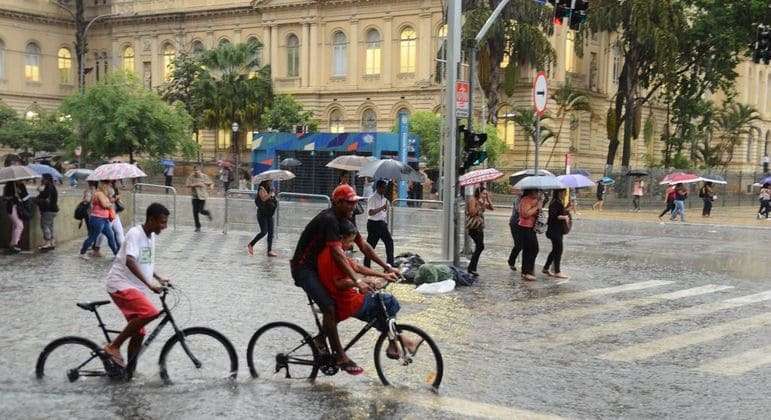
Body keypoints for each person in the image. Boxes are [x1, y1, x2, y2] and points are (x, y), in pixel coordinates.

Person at [290, 184, 398, 375]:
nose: (352, 207)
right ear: (337, 202)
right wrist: (357, 281)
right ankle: (340, 356)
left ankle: (321, 339)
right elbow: (338, 254)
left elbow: (364, 245)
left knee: (335, 306)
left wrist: (386, 266)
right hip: (303, 269)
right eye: (348, 203)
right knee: (329, 307)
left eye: (353, 203)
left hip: (317, 267)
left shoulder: (347, 219)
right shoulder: (329, 219)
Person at [316, 220, 418, 375]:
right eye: (349, 242)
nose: (350, 245)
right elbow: (339, 283)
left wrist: (383, 273)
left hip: (346, 296)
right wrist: (361, 282)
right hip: (345, 301)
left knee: (379, 313)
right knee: (387, 301)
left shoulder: (336, 250)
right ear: (341, 238)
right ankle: (396, 343)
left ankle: (401, 342)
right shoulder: (333, 254)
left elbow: (356, 267)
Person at [101, 203, 171, 368]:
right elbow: (130, 261)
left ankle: (129, 372)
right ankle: (113, 346)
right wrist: (149, 284)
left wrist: (159, 278)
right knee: (150, 312)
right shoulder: (135, 233)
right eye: (162, 222)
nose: (165, 226)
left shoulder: (150, 236)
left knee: (139, 332)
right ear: (151, 219)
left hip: (135, 287)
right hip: (120, 284)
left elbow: (144, 262)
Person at [79, 181, 119, 259]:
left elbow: (108, 203)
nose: (109, 186)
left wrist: (110, 201)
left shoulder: (104, 194)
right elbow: (105, 205)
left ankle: (117, 255)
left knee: (111, 236)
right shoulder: (99, 193)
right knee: (92, 238)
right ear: (103, 186)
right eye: (107, 185)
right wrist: (110, 205)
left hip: (104, 219)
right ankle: (82, 253)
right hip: (97, 219)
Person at [364, 179, 395, 268]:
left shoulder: (384, 198)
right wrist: (382, 207)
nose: (384, 190)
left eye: (385, 188)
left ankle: (390, 264)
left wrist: (385, 208)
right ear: (378, 188)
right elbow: (371, 212)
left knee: (389, 242)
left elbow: (384, 211)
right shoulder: (372, 198)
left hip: (382, 224)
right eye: (382, 188)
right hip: (374, 224)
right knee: (370, 246)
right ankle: (366, 266)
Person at [465, 185, 494, 276]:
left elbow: (492, 208)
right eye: (484, 193)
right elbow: (472, 212)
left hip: (480, 227)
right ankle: (471, 268)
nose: (485, 195)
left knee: (480, 246)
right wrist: (480, 205)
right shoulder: (473, 200)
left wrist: (488, 199)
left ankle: (472, 267)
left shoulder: (482, 201)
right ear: (479, 193)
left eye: (486, 194)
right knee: (480, 246)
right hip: (473, 227)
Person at [543, 189, 570, 279]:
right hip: (554, 230)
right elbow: (553, 216)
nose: (564, 194)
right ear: (559, 192)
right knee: (558, 250)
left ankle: (546, 268)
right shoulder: (555, 202)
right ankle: (557, 271)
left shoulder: (558, 202)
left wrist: (566, 209)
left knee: (555, 250)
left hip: (557, 230)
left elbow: (558, 212)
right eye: (563, 192)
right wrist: (564, 217)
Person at [94, 181, 125, 256]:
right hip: (107, 214)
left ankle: (123, 252)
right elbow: (106, 201)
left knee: (119, 232)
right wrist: (115, 198)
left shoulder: (114, 185)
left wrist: (118, 196)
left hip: (114, 213)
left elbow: (115, 197)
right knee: (104, 233)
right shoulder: (103, 187)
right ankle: (96, 249)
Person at [248, 180, 278, 257]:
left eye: (271, 181)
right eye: (270, 181)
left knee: (271, 233)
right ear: (265, 181)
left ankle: (269, 251)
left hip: (269, 213)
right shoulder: (261, 189)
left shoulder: (269, 189)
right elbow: (263, 199)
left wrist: (273, 195)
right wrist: (271, 193)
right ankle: (251, 244)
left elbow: (271, 199)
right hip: (262, 214)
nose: (271, 182)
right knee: (264, 232)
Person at [518, 189, 542, 281]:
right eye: (536, 191)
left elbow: (533, 213)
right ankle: (527, 271)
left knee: (529, 249)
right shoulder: (525, 200)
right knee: (532, 249)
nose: (537, 193)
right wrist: (536, 207)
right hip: (525, 227)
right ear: (531, 191)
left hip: (531, 227)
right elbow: (525, 214)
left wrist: (538, 207)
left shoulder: (533, 200)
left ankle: (526, 271)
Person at [3, 180, 30, 254]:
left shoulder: (21, 186)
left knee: (16, 226)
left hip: (19, 208)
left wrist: (20, 193)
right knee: (19, 225)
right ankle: (14, 244)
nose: (21, 181)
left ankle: (13, 244)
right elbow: (5, 198)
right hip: (11, 208)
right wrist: (13, 197)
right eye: (19, 180)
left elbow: (26, 197)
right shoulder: (8, 186)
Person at [186, 165, 214, 232]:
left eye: (197, 170)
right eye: (195, 170)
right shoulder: (191, 177)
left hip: (202, 196)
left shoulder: (204, 176)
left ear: (200, 171)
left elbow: (211, 183)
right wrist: (196, 184)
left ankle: (207, 213)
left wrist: (211, 186)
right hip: (195, 196)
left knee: (201, 210)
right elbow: (187, 185)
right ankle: (197, 227)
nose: (196, 172)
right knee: (195, 212)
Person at [36, 174, 59, 251]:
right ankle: (52, 242)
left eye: (43, 178)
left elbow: (45, 198)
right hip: (53, 210)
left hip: (48, 210)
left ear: (46, 179)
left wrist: (39, 192)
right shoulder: (52, 187)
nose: (41, 180)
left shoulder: (48, 187)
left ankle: (47, 242)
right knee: (50, 226)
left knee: (44, 225)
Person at [507, 188, 522, 271]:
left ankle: (511, 261)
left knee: (521, 244)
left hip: (521, 224)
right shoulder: (518, 200)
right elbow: (519, 210)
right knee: (519, 244)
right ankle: (511, 261)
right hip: (515, 223)